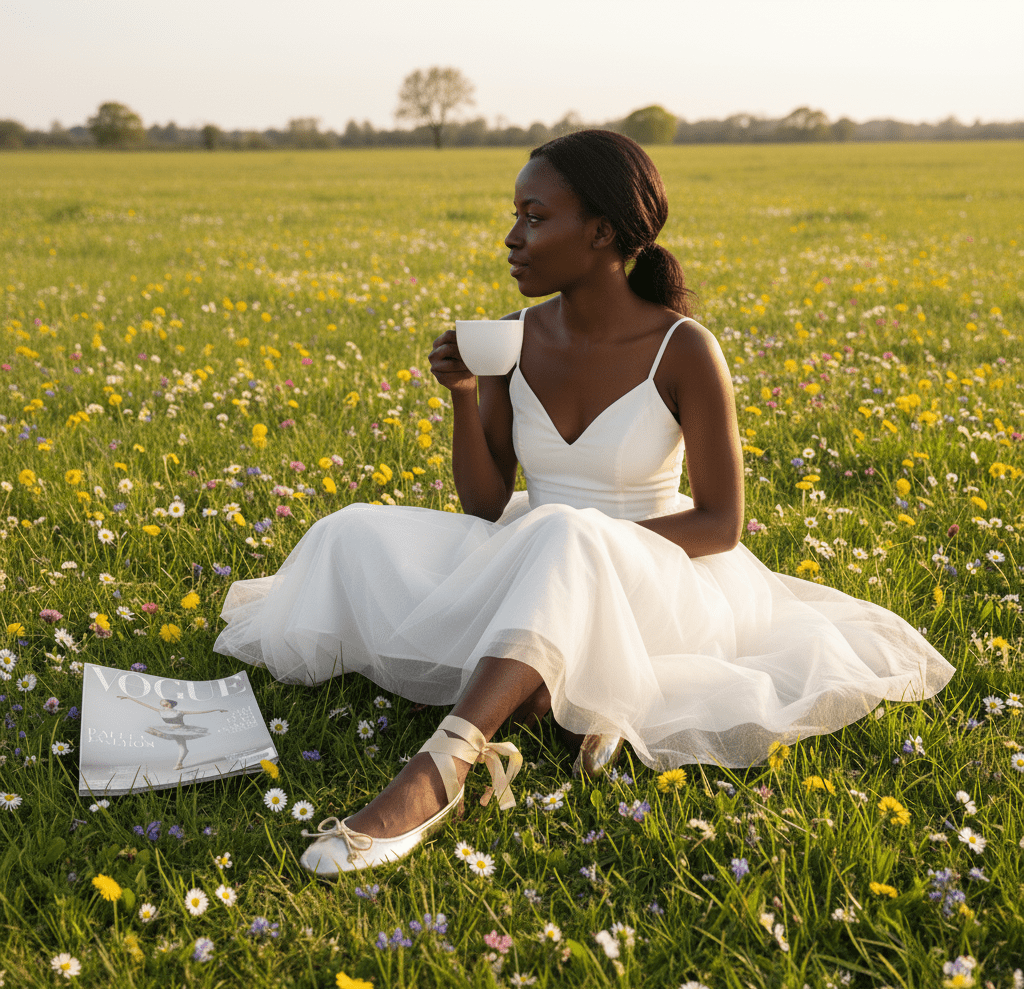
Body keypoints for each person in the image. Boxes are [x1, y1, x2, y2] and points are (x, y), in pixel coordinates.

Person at [213, 130, 954, 877]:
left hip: (659, 577)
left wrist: (603, 547)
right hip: (534, 545)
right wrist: (464, 396)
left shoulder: (685, 348)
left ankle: (444, 767)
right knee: (353, 533)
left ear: (602, 232)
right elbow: (485, 501)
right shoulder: (509, 338)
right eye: (515, 215)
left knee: (568, 534)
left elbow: (721, 524)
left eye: (535, 217)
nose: (512, 238)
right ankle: (558, 700)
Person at [115, 695, 229, 770]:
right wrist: (128, 698)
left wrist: (217, 709)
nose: (164, 706)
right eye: (162, 705)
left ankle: (179, 763)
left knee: (182, 746)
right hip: (170, 730)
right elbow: (145, 704)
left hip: (182, 730)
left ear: (170, 704)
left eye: (166, 704)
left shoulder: (180, 711)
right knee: (180, 745)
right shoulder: (160, 711)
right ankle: (180, 761)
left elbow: (200, 712)